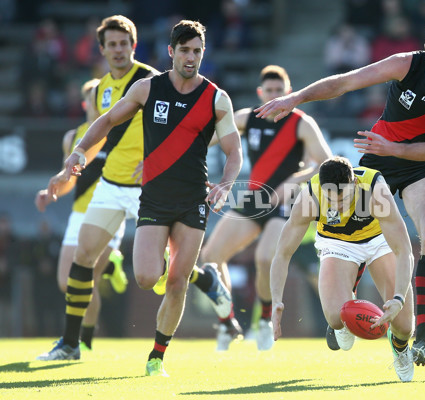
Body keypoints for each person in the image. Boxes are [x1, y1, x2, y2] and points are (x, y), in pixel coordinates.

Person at [256, 20, 425, 366]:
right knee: (353, 234)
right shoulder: (405, 64)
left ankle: (422, 338)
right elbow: (346, 82)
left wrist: (394, 148)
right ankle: (344, 307)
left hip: (416, 161)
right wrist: (297, 96)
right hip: (377, 160)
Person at [43, 20, 243, 378]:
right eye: (184, 50)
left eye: (197, 51)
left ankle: (157, 357)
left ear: (203, 53)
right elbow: (106, 121)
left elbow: (233, 151)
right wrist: (78, 152)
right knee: (147, 278)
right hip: (151, 198)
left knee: (178, 281)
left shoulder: (216, 97)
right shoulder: (148, 88)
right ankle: (74, 339)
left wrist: (226, 183)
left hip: (193, 198)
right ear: (171, 52)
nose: (191, 57)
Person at [200, 65, 332, 351]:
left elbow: (327, 163)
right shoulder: (247, 118)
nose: (274, 96)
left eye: (279, 91)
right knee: (210, 256)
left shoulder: (301, 122)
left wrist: (293, 181)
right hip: (255, 199)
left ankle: (263, 320)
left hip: (283, 202)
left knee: (264, 258)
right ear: (261, 94)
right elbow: (205, 139)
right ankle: (227, 320)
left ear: (288, 93)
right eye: (269, 91)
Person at [270, 156, 415, 382]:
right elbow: (282, 254)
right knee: (337, 318)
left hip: (379, 240)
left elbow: (404, 250)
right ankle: (344, 313)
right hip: (337, 243)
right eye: (331, 199)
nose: (337, 205)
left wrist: (398, 298)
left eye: (344, 198)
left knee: (405, 326)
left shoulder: (375, 189)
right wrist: (276, 301)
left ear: (355, 185)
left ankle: (400, 347)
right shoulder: (310, 195)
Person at [34, 78, 129, 349]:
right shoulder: (73, 138)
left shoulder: (117, 134)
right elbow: (72, 179)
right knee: (67, 282)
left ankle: (82, 341)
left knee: (89, 277)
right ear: (88, 102)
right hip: (79, 213)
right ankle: (113, 263)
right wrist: (50, 191)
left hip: (108, 212)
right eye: (96, 99)